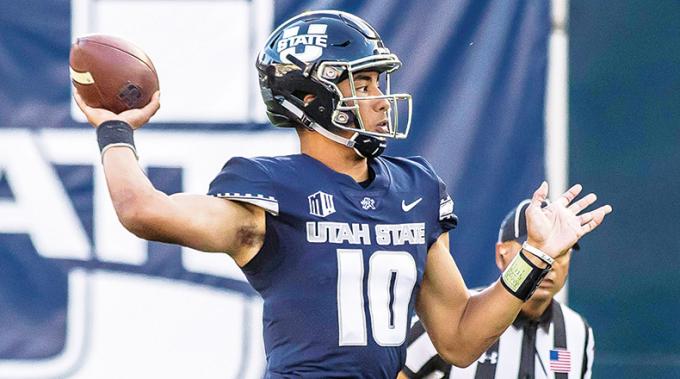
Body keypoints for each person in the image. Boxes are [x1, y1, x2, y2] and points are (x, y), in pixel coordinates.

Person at [72, 10, 611, 378]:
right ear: (311, 95)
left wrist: (534, 259)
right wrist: (114, 130)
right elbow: (142, 210)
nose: (381, 98)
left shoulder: (414, 186)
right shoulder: (271, 191)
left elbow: (461, 339)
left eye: (379, 82)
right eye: (365, 82)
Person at [400, 200, 595, 379]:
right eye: (535, 249)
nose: (549, 262)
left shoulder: (577, 330)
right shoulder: (454, 316)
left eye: (560, 252)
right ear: (501, 255)